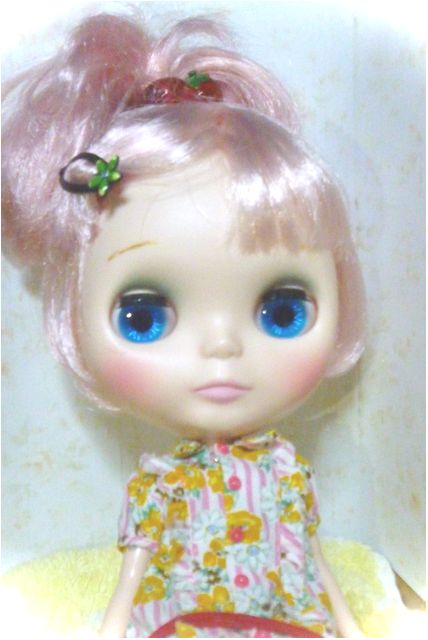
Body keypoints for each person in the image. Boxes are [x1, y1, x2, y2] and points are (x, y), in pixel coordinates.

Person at [2, 10, 366, 638]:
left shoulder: (286, 471)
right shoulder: (161, 484)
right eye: (143, 318)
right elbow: (133, 574)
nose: (222, 346)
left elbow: (311, 557)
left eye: (282, 312)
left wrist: (350, 625)